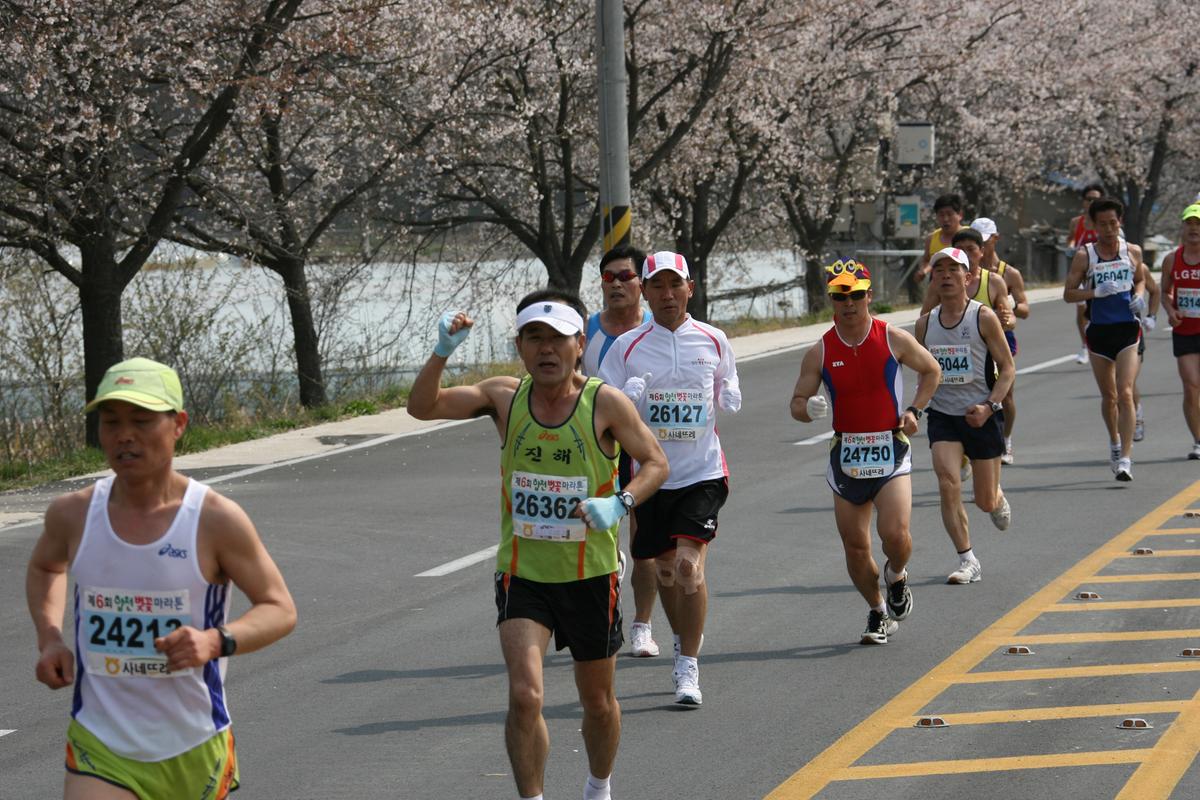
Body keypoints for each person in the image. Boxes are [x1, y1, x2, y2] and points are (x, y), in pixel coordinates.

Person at [407, 292, 669, 800]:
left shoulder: (605, 402)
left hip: (590, 574)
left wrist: (620, 502)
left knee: (597, 702)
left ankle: (598, 786)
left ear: (578, 345)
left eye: (557, 339)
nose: (546, 349)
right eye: (534, 338)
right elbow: (422, 407)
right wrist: (441, 352)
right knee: (526, 695)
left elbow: (657, 463)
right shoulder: (505, 397)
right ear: (520, 346)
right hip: (523, 575)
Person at [26, 357, 297, 800]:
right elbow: (45, 566)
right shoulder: (73, 514)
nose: (123, 435)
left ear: (179, 425)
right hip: (101, 744)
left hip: (193, 746)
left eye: (141, 420)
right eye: (110, 422)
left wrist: (214, 641)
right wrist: (50, 637)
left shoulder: (213, 518)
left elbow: (280, 609)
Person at [600, 251, 741, 706]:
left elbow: (727, 382)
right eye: (656, 286)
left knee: (687, 567)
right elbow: (601, 410)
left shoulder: (714, 339)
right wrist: (626, 398)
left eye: (674, 285)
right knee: (663, 570)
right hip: (651, 477)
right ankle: (683, 639)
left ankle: (688, 667)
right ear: (645, 291)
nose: (666, 294)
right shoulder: (627, 347)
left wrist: (730, 390)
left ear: (690, 288)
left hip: (702, 473)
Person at [790, 260, 941, 643]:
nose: (849, 303)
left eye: (856, 295)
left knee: (895, 533)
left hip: (890, 447)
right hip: (847, 455)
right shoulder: (820, 350)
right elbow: (797, 402)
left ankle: (896, 575)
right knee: (856, 547)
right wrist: (808, 409)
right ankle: (877, 611)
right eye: (841, 296)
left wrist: (914, 410)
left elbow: (932, 370)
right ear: (832, 299)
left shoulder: (892, 337)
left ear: (869, 296)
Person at [917, 247, 1016, 585]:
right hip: (944, 415)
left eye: (953, 269)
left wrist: (989, 406)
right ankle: (967, 559)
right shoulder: (924, 325)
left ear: (968, 277)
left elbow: (1007, 369)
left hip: (982, 415)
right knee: (948, 484)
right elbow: (922, 374)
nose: (945, 275)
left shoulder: (982, 317)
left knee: (985, 502)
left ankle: (997, 495)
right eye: (939, 269)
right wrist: (914, 409)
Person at [581, 244, 659, 659]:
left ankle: (642, 626)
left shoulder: (656, 328)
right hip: (595, 452)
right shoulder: (585, 331)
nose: (615, 284)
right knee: (593, 542)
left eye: (624, 276)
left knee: (645, 546)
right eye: (607, 277)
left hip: (643, 449)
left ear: (642, 283)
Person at [1063, 197, 1147, 481]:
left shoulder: (1132, 250)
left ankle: (1125, 458)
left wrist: (1139, 296)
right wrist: (1094, 293)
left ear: (1120, 222)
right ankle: (1113, 441)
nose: (1109, 229)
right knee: (1109, 396)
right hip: (1099, 331)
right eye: (1103, 224)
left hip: (1127, 329)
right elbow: (1068, 293)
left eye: (1113, 222)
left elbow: (1140, 278)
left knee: (1125, 392)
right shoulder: (1085, 255)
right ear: (1093, 225)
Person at [973, 217, 1030, 464]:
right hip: (971, 340)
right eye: (978, 242)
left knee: (1005, 395)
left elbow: (1025, 308)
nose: (982, 247)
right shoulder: (963, 274)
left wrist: (1008, 308)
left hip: (1001, 339)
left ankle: (1006, 439)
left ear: (995, 239)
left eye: (986, 241)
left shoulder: (1008, 274)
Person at [1160, 203, 1200, 459]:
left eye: (1198, 224)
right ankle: (1198, 440)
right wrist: (1170, 311)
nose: (1194, 228)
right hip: (1184, 330)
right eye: (1190, 223)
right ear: (1183, 227)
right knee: (1191, 386)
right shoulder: (1172, 258)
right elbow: (1165, 292)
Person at [1068, 184, 1106, 364]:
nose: (1092, 202)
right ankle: (1085, 346)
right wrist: (1070, 248)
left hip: (1102, 271)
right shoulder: (1077, 222)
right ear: (1083, 202)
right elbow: (1071, 240)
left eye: (1095, 199)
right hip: (1082, 272)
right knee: (1081, 308)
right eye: (1089, 199)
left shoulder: (1104, 221)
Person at [914, 193, 968, 285]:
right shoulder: (931, 239)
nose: (945, 219)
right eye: (941, 215)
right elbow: (927, 260)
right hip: (938, 289)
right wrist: (923, 271)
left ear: (960, 215)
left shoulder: (969, 235)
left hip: (965, 287)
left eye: (949, 214)